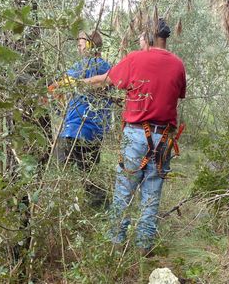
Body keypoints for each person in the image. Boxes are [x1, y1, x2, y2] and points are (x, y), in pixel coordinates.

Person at [83, 18, 186, 255]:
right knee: (151, 194)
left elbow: (105, 80)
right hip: (164, 139)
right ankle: (143, 248)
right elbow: (176, 94)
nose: (139, 41)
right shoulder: (178, 64)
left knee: (124, 191)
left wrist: (76, 83)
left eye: (141, 36)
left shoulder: (136, 58)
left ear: (149, 37)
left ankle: (116, 244)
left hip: (137, 134)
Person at [49, 30, 112, 207]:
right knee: (90, 176)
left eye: (81, 45)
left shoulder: (83, 67)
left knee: (56, 173)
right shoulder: (107, 67)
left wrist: (57, 101)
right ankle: (99, 212)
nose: (78, 48)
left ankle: (61, 211)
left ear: (91, 46)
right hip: (95, 132)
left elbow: (56, 86)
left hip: (75, 129)